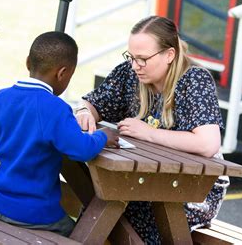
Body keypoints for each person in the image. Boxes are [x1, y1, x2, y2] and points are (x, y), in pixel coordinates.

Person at [76, 15, 229, 243]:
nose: (135, 65)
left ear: (169, 54)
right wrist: (84, 113)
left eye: (143, 59)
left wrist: (147, 132)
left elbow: (207, 144)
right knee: (98, 210)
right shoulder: (130, 73)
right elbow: (92, 102)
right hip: (141, 179)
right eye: (131, 57)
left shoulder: (194, 80)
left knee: (117, 216)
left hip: (191, 188)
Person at [0, 31, 119, 237]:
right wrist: (103, 136)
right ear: (62, 73)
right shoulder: (56, 108)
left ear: (28, 62)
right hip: (36, 214)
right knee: (81, 235)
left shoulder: (0, 97)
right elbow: (81, 150)